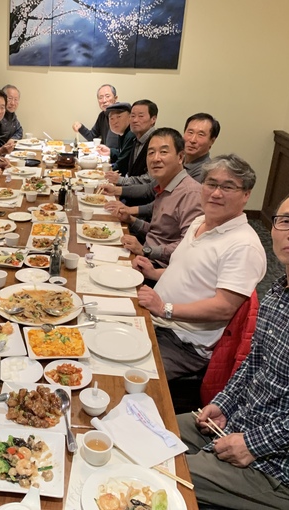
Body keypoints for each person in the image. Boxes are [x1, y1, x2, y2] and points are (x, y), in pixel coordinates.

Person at [179, 189, 289, 509]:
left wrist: (253, 443)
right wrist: (224, 403)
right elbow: (254, 361)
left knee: (154, 471)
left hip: (279, 472)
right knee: (144, 432)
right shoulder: (278, 291)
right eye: (285, 221)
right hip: (235, 424)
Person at [132, 154, 266, 379]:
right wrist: (153, 273)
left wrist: (164, 308)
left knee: (120, 375)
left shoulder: (244, 245)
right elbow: (189, 274)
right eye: (211, 184)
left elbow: (224, 307)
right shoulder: (200, 222)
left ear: (246, 194)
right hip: (158, 319)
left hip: (183, 343)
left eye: (228, 187)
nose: (216, 193)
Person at [105, 128, 203, 266]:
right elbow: (158, 232)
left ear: (180, 157)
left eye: (163, 152)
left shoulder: (191, 193)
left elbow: (188, 245)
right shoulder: (165, 184)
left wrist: (145, 250)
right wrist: (130, 219)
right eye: (151, 153)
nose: (156, 158)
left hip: (160, 267)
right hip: (146, 256)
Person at [107, 112, 221, 220]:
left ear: (212, 141)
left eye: (201, 135)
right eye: (190, 132)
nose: (192, 140)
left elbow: (169, 203)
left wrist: (131, 210)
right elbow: (151, 189)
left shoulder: (204, 173)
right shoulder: (178, 160)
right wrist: (116, 190)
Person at [71, 84, 119, 149]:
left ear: (115, 98)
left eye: (107, 96)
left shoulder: (121, 115)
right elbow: (92, 137)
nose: (104, 100)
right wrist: (80, 127)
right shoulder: (102, 115)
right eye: (100, 98)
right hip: (107, 153)